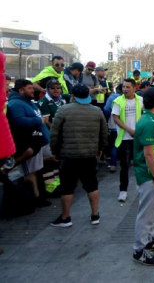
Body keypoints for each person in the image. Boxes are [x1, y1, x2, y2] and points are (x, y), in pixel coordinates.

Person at [49, 84, 108, 227]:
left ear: (73, 96)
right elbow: (104, 133)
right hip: (89, 156)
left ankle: (66, 217)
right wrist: (100, 149)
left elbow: (54, 134)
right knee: (92, 185)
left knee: (67, 188)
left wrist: (55, 151)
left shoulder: (63, 110)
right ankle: (95, 215)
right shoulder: (97, 111)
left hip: (68, 156)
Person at [132, 88, 154, 265]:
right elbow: (148, 154)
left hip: (153, 174)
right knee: (146, 213)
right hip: (149, 176)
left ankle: (148, 240)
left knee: (151, 212)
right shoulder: (148, 123)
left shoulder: (150, 120)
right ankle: (139, 249)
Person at [7, 79, 51, 207]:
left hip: (38, 142)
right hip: (28, 143)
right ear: (21, 90)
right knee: (30, 172)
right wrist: (39, 121)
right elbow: (19, 122)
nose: (33, 90)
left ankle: (40, 195)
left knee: (37, 170)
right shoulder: (15, 104)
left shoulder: (28, 102)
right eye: (29, 88)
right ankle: (35, 199)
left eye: (32, 88)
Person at [112, 79, 143, 202]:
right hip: (124, 138)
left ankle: (141, 188)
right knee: (124, 166)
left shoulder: (140, 100)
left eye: (128, 87)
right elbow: (116, 118)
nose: (125, 89)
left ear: (134, 88)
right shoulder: (118, 101)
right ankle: (123, 191)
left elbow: (145, 114)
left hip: (138, 138)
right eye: (124, 87)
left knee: (140, 164)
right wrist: (129, 130)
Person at [104, 84, 123, 173]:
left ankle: (113, 164)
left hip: (114, 126)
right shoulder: (130, 98)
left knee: (114, 145)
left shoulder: (113, 98)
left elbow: (106, 109)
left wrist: (107, 120)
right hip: (126, 126)